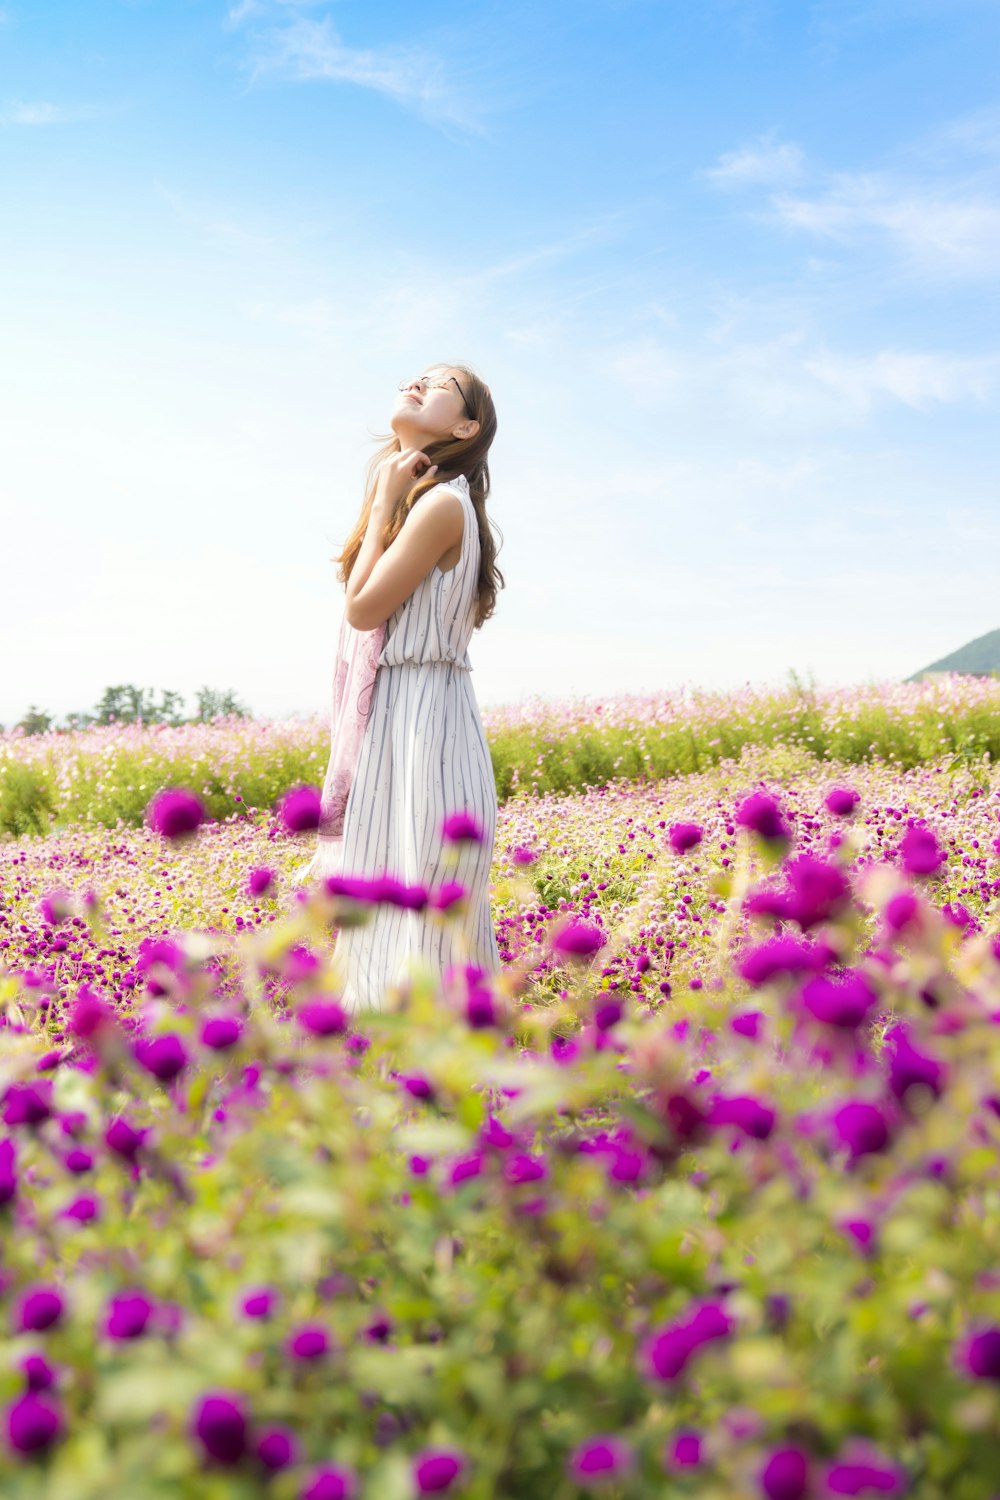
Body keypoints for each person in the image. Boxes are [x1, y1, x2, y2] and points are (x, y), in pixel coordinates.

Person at [305, 364, 504, 1013]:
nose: (417, 383)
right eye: (415, 376)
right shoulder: (437, 500)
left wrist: (388, 501)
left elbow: (361, 609)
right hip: (408, 715)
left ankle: (435, 1078)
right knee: (395, 907)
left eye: (440, 383)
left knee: (421, 908)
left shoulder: (441, 504)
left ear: (467, 426)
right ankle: (392, 1076)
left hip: (424, 724)